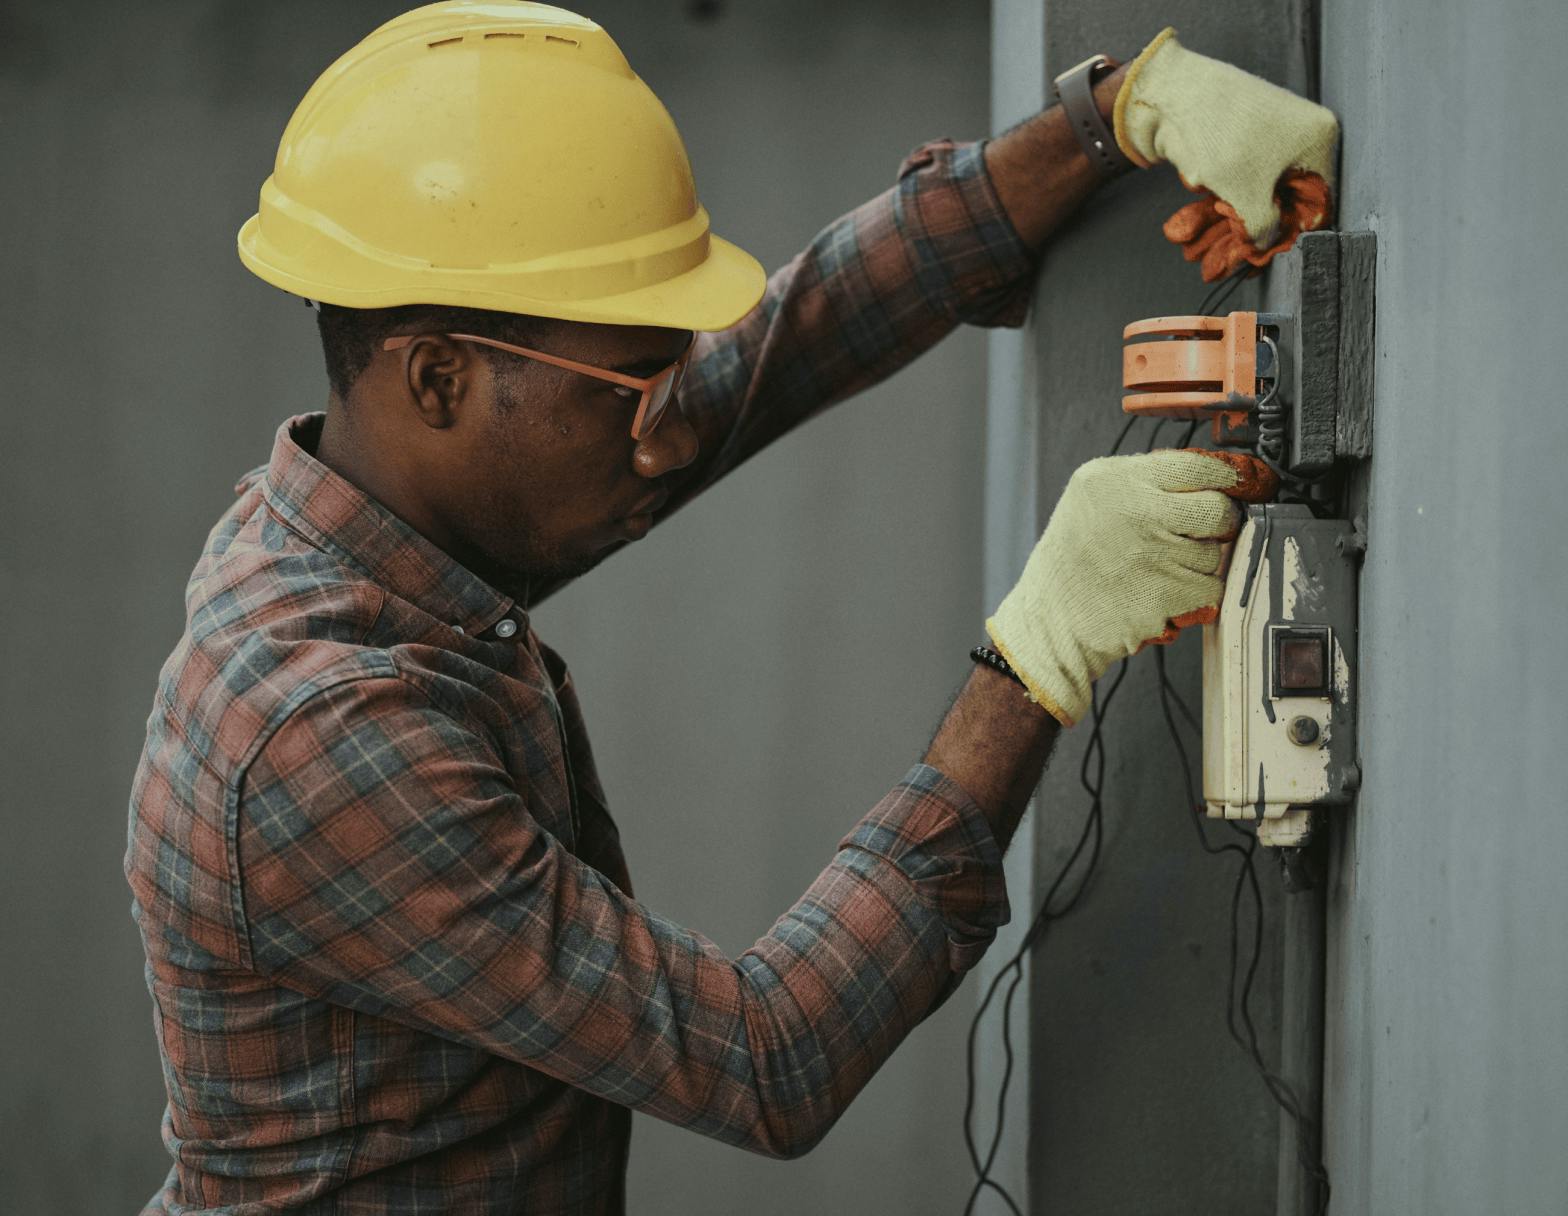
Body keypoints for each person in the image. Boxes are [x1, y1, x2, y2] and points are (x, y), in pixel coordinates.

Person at [124, 4, 1339, 1212]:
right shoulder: (322, 734)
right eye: (629, 391)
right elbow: (765, 1058)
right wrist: (1034, 654)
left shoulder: (371, 520)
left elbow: (790, 339)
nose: (661, 442)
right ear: (439, 376)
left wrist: (1112, 117)